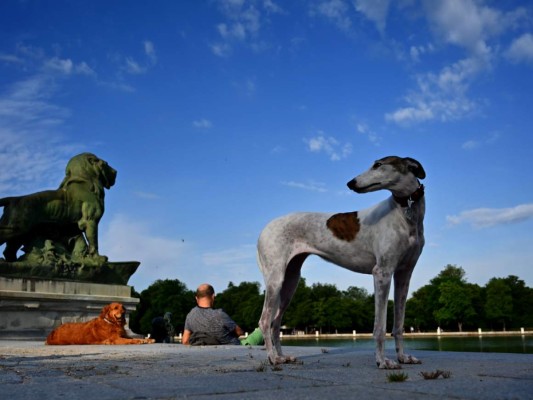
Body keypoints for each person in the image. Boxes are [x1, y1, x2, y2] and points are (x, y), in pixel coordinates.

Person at [182, 283, 263, 346]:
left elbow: (185, 341)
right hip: (235, 347)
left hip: (209, 350)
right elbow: (240, 332)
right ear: (213, 296)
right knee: (262, 330)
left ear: (196, 298)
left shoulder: (190, 315)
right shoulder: (219, 314)